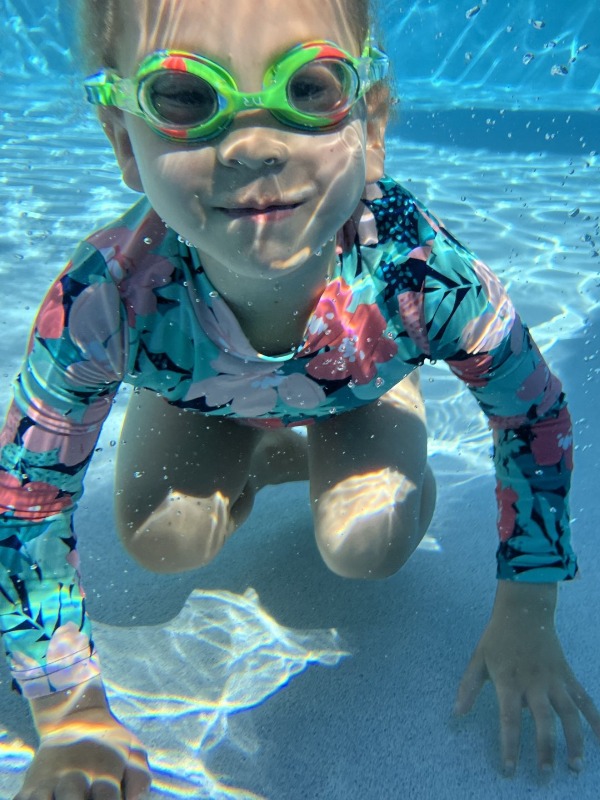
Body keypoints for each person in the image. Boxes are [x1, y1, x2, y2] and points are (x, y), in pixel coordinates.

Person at [1, 0, 598, 797]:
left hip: (357, 389)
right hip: (199, 401)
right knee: (161, 539)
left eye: (310, 87)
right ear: (124, 144)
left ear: (373, 128)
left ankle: (383, 400)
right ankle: (254, 432)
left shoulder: (416, 273)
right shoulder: (106, 297)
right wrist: (69, 712)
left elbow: (534, 416)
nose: (252, 144)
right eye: (187, 96)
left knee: (367, 544)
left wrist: (528, 611)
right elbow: (27, 498)